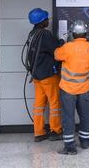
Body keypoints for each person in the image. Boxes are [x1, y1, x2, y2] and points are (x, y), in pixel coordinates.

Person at [55, 20, 89, 155]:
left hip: (68, 89)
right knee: (85, 116)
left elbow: (56, 55)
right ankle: (85, 141)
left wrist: (62, 42)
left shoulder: (67, 47)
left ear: (73, 33)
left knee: (68, 118)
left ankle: (70, 147)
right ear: (85, 33)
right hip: (84, 88)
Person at [25, 8, 63, 142]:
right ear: (42, 21)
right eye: (46, 19)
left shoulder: (32, 34)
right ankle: (56, 130)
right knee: (54, 103)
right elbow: (57, 50)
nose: (48, 20)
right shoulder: (45, 34)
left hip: (36, 76)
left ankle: (39, 132)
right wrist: (62, 42)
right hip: (48, 75)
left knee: (39, 104)